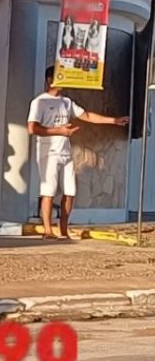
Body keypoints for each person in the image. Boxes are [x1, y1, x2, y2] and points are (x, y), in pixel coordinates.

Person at [27, 66, 129, 240]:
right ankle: (47, 230)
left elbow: (87, 115)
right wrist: (59, 131)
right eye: (60, 77)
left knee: (70, 190)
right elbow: (32, 128)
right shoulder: (40, 102)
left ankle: (64, 230)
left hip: (65, 153)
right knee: (48, 190)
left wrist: (114, 120)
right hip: (48, 152)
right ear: (50, 80)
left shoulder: (66, 102)